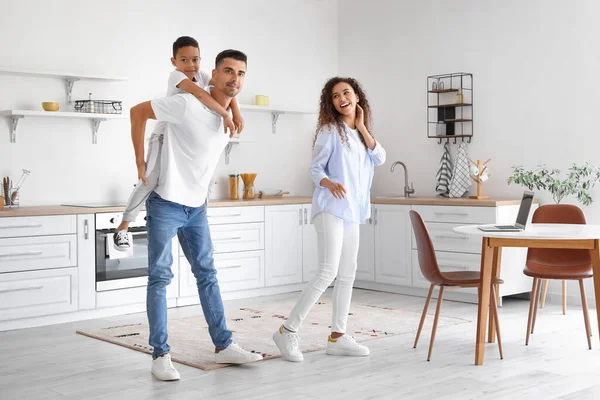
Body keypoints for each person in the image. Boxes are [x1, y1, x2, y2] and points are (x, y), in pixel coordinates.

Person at [129, 49, 262, 381]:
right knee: (160, 278)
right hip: (165, 203)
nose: (235, 78)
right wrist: (140, 162)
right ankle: (160, 355)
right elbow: (136, 112)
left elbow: (226, 99)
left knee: (207, 274)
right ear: (211, 75)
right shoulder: (185, 103)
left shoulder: (227, 113)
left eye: (241, 73)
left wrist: (234, 107)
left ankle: (224, 345)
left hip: (197, 207)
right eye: (228, 71)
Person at [272, 77, 386, 362]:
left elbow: (380, 157)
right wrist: (327, 183)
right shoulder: (329, 130)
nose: (342, 98)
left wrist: (361, 126)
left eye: (346, 93)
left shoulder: (360, 134)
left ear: (357, 97)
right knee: (327, 271)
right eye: (336, 96)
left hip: (353, 211)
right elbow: (315, 167)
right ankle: (287, 330)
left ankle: (337, 336)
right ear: (331, 103)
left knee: (348, 273)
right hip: (331, 207)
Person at [113, 36, 244, 250]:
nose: (191, 66)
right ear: (174, 61)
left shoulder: (199, 73)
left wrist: (235, 112)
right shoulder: (177, 76)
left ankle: (185, 220)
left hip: (183, 136)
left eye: (195, 60)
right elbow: (201, 94)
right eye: (184, 60)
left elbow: (227, 87)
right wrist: (227, 115)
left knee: (201, 181)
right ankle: (124, 226)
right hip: (164, 136)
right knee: (150, 178)